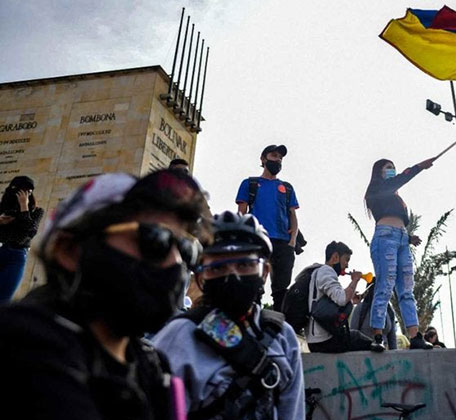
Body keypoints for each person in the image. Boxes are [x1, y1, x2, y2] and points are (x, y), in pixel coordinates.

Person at [0, 169, 211, 420]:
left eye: (186, 249)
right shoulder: (22, 344)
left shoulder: (150, 364)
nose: (176, 262)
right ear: (70, 250)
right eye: (155, 240)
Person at [153, 211, 305, 419]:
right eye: (218, 267)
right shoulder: (178, 336)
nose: (232, 275)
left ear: (264, 272)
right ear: (201, 277)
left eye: (244, 265)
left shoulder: (282, 337)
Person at [364, 157, 436, 351]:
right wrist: (419, 167)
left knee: (406, 289)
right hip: (385, 237)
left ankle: (415, 336)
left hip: (401, 238)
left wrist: (408, 237)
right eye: (388, 167)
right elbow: (400, 179)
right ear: (378, 171)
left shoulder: (395, 196)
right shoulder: (377, 189)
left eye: (393, 167)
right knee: (385, 286)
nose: (392, 170)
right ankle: (378, 336)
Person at [236, 144, 299, 312]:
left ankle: (278, 322)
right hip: (257, 240)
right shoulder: (250, 184)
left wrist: (292, 240)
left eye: (280, 158)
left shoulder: (287, 188)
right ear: (263, 159)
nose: (277, 160)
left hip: (282, 243)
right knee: (254, 284)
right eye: (274, 156)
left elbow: (292, 214)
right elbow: (241, 213)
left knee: (281, 290)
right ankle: (252, 318)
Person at [306, 241, 374, 353]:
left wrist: (351, 300)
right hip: (324, 339)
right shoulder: (326, 271)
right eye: (346, 260)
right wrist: (355, 280)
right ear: (335, 257)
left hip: (317, 339)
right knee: (362, 340)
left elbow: (332, 302)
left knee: (354, 337)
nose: (347, 265)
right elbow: (341, 299)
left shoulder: (319, 272)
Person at [0, 175, 44, 303]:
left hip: (16, 256)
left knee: (4, 299)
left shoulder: (36, 211)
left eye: (27, 191)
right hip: (2, 248)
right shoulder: (4, 208)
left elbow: (30, 232)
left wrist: (24, 206)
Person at [350, 284, 398, 350]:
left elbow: (392, 339)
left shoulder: (389, 311)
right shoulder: (360, 309)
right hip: (364, 352)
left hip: (384, 352)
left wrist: (394, 354)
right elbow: (353, 332)